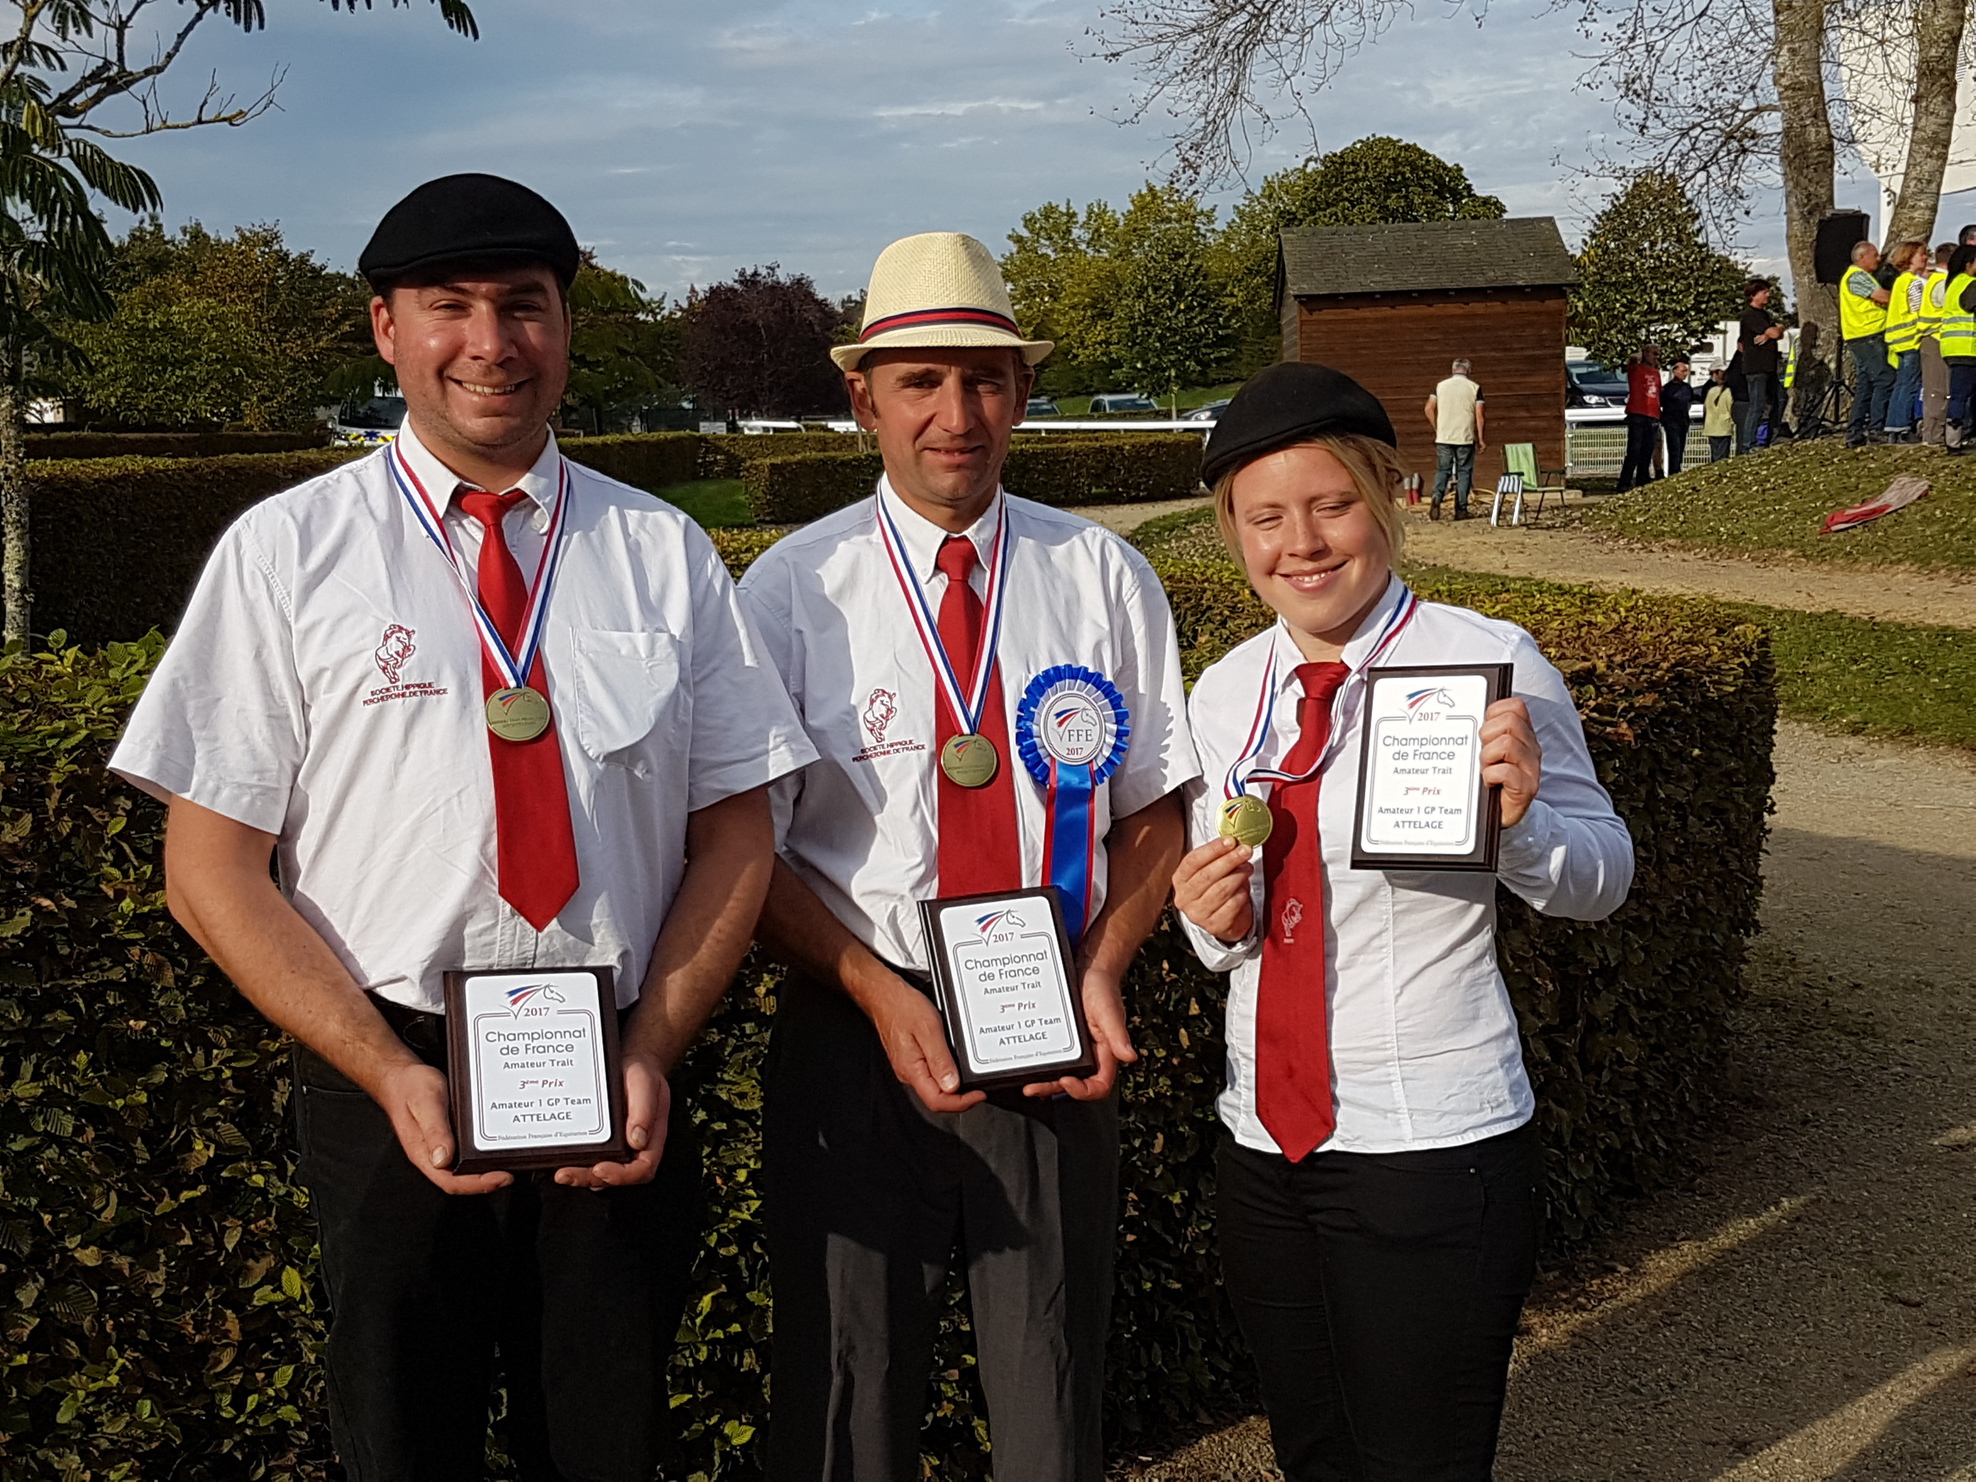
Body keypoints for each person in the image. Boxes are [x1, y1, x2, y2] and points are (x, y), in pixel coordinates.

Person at [107, 174, 818, 1480]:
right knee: (402, 1440)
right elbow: (209, 868)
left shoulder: (659, 551)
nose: (491, 342)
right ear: (386, 327)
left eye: (524, 307)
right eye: (450, 307)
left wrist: (654, 1045)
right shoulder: (287, 553)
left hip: (614, 1065)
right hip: (390, 1061)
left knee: (606, 1437)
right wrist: (385, 1069)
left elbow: (735, 833)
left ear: (564, 328)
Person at [738, 231, 1198, 1482]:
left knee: (1050, 1380)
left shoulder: (1098, 571)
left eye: (985, 380)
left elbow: (1155, 815)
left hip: (1055, 1024)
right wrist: (878, 995)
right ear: (862, 400)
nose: (957, 414)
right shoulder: (790, 591)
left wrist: (1101, 967)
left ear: (1021, 393)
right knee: (848, 1388)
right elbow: (742, 855)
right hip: (856, 1026)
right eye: (921, 382)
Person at [1171, 361, 1633, 1482]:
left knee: (1419, 1461)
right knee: (1313, 1452)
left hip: (1429, 1142)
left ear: (1384, 501)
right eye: (1265, 517)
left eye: (1330, 505)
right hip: (1262, 1147)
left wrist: (1519, 826)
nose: (1303, 544)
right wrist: (1205, 917)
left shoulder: (1487, 662)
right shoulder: (1224, 690)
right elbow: (1224, 923)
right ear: (1231, 532)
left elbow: (1601, 876)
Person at [1840, 240, 1895, 445]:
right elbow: (1882, 297)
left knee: (1865, 384)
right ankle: (1876, 427)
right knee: (1885, 379)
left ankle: (1854, 430)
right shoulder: (1857, 277)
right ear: (1862, 257)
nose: (1878, 259)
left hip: (1861, 335)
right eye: (1875, 255)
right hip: (1868, 335)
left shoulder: (1858, 276)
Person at [1424, 357, 1485, 520]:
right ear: (1468, 370)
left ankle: (1437, 496)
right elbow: (1479, 415)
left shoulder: (1440, 386)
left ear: (1453, 369)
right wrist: (1481, 438)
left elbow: (1429, 408)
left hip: (1444, 436)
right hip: (1465, 436)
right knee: (1464, 471)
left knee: (1443, 470)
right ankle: (1461, 509)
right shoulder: (1474, 387)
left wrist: (1437, 427)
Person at [1882, 240, 1930, 441]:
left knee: (1901, 385)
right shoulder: (1913, 283)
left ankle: (1892, 426)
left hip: (1897, 341)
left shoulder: (1900, 281)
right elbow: (1917, 309)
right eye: (1922, 254)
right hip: (1912, 339)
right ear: (1909, 257)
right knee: (1910, 385)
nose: (1926, 258)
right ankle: (1902, 427)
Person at [1738, 279, 1785, 453]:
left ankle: (1773, 435)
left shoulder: (1764, 315)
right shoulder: (1750, 315)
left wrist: (1773, 331)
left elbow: (1777, 331)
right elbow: (1774, 332)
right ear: (1754, 295)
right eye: (1764, 292)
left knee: (1780, 398)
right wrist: (1772, 332)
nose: (1768, 295)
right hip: (1756, 368)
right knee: (1757, 405)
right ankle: (1749, 444)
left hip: (1769, 367)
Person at [1941, 243, 1976, 451]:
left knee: (1960, 394)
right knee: (1961, 395)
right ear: (1969, 264)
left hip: (1954, 347)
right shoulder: (1969, 284)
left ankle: (1955, 438)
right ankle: (1953, 440)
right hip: (1968, 347)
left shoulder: (1954, 284)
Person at [1919, 242, 1955, 447]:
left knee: (1938, 389)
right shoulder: (1942, 282)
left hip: (1935, 338)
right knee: (1937, 390)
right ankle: (1933, 436)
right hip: (1935, 338)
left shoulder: (1936, 280)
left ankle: (1934, 434)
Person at [1615, 344, 1660, 492]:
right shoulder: (1636, 370)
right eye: (1654, 353)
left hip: (1652, 414)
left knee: (1647, 451)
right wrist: (1639, 355)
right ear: (1646, 354)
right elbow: (1632, 360)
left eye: (1658, 354)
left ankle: (1642, 480)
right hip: (1637, 414)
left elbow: (1658, 392)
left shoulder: (1656, 372)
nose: (1656, 357)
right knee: (1634, 450)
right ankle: (1624, 482)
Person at [1659, 357, 1697, 473]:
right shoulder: (1667, 389)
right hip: (1671, 421)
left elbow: (1690, 401)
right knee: (1674, 447)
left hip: (1683, 421)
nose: (1685, 374)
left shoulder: (1687, 388)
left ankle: (1678, 468)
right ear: (1675, 371)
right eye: (1683, 371)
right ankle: (1673, 470)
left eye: (1686, 371)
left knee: (1681, 447)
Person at [1703, 365, 1736, 461]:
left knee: (1714, 454)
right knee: (1723, 456)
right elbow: (1730, 407)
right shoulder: (1729, 391)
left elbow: (1706, 408)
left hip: (1710, 426)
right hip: (1724, 426)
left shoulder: (1711, 391)